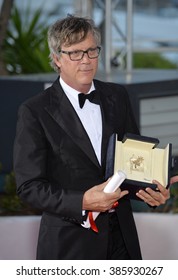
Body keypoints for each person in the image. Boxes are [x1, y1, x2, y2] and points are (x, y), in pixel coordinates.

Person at [13, 15, 170, 260]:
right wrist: (82, 201)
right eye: (75, 53)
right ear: (57, 59)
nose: (86, 61)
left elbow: (134, 163)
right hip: (70, 244)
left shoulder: (118, 96)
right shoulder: (34, 111)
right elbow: (28, 187)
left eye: (91, 51)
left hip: (122, 241)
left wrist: (152, 192)